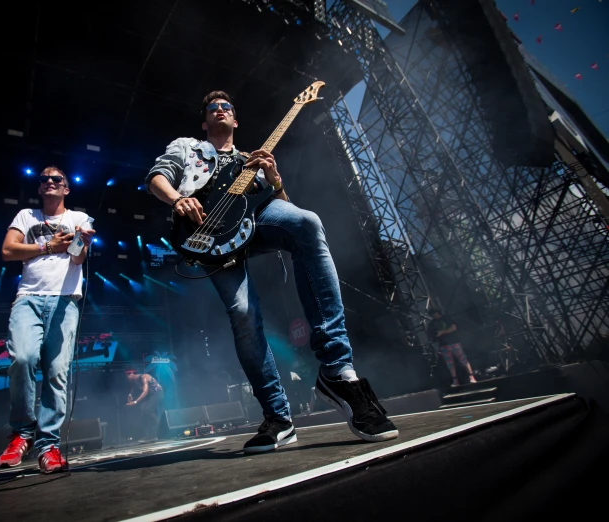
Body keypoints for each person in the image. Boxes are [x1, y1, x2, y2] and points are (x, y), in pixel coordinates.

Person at [145, 91, 398, 454]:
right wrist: (177, 198)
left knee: (306, 223)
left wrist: (274, 178)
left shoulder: (250, 161)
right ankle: (278, 418)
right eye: (212, 109)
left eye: (227, 107)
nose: (220, 110)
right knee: (244, 314)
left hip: (253, 222)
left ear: (236, 120)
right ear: (204, 122)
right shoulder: (187, 146)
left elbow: (284, 211)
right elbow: (157, 176)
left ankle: (337, 371)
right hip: (206, 233)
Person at [0, 166, 95, 474]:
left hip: (65, 301)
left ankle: (48, 445)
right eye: (44, 180)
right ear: (40, 188)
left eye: (56, 180)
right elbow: (7, 251)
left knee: (56, 372)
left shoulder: (79, 218)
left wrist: (81, 243)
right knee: (23, 359)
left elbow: (77, 258)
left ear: (66, 188)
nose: (49, 182)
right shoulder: (27, 217)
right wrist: (49, 246)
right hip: (28, 298)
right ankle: (21, 434)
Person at [428, 309, 478, 387]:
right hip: (443, 345)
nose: (433, 316)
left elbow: (454, 327)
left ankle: (471, 377)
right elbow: (431, 334)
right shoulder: (432, 323)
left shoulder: (446, 318)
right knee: (450, 364)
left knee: (463, 360)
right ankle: (455, 380)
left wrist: (443, 332)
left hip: (454, 343)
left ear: (438, 313)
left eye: (434, 314)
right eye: (432, 315)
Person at [125, 370, 165, 442]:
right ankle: (150, 436)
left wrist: (135, 402)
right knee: (143, 411)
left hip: (158, 394)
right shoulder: (135, 380)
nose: (127, 378)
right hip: (152, 395)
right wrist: (130, 395)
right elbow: (132, 388)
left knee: (146, 409)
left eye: (127, 376)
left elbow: (145, 391)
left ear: (131, 374)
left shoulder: (144, 377)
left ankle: (160, 425)